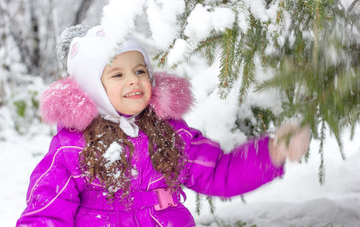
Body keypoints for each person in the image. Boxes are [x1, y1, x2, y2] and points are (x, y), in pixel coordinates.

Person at [17, 25, 310, 227]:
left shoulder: (169, 133)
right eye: (117, 74)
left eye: (140, 70)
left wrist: (270, 153)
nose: (134, 80)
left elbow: (217, 173)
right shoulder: (72, 148)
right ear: (91, 88)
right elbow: (47, 210)